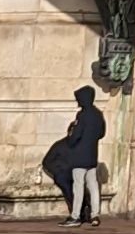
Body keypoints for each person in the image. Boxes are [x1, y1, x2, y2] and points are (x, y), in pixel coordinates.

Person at [41, 85, 106, 225]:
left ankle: (75, 216)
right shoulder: (98, 114)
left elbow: (75, 136)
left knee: (78, 187)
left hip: (79, 157)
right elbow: (102, 133)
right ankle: (95, 215)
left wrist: (72, 140)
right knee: (93, 186)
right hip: (92, 156)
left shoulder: (82, 115)